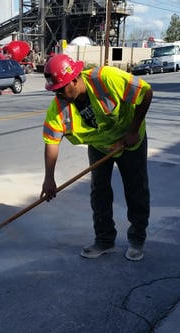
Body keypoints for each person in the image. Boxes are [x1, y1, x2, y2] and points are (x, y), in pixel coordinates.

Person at [39, 54, 153, 261]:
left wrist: (134, 130)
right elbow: (51, 141)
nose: (59, 95)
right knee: (99, 192)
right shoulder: (59, 107)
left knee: (136, 189)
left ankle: (137, 239)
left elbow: (145, 92)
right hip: (101, 146)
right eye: (54, 91)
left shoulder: (106, 78)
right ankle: (104, 240)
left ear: (74, 79)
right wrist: (49, 178)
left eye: (61, 89)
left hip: (130, 141)